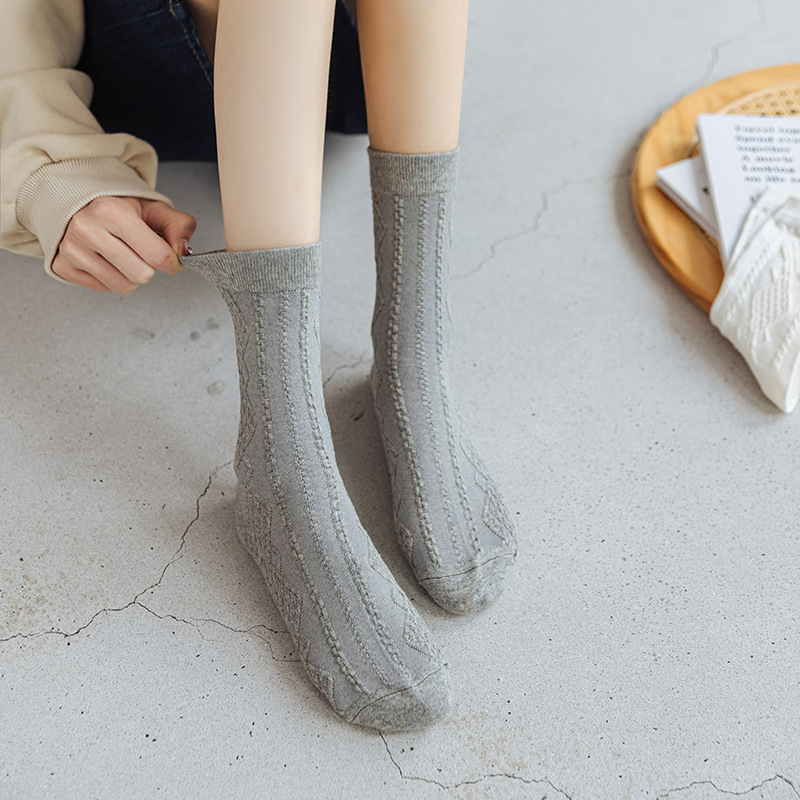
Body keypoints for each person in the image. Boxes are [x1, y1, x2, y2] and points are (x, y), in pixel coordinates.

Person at [0, 0, 517, 732]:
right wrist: (48, 168)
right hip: (155, 59)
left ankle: (414, 357)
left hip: (351, 58)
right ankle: (282, 456)